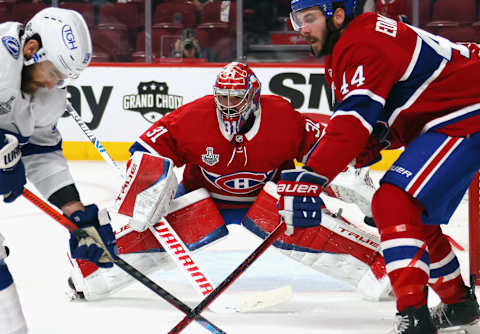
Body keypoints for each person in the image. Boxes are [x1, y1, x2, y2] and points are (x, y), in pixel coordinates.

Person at [67, 61, 392, 303]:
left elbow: (327, 149)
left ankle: (380, 269)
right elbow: (146, 149)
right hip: (204, 197)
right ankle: (92, 273)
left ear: (252, 97)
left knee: (309, 225)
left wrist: (352, 176)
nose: (226, 104)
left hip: (270, 200)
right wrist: (148, 184)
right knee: (148, 235)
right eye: (221, 96)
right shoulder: (193, 117)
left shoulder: (281, 116)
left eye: (235, 97)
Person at [284, 0, 480, 333]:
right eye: (296, 20)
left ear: (338, 15)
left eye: (309, 18)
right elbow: (372, 127)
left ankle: (414, 318)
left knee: (393, 202)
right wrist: (361, 151)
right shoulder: (350, 46)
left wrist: (311, 176)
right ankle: (457, 303)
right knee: (410, 212)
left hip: (467, 110)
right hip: (454, 111)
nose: (301, 28)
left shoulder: (360, 44)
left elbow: (353, 123)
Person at [0, 7, 118, 334]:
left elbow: (40, 151)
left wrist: (75, 213)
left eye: (65, 78)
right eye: (54, 72)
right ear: (30, 49)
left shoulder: (49, 96)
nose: (56, 84)